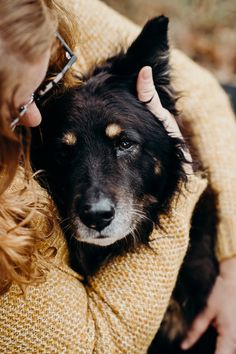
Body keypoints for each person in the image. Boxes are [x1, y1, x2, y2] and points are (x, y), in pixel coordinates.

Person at [0, 1, 235, 353]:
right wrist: (181, 191)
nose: (34, 118)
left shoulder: (31, 10)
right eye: (16, 107)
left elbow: (201, 91)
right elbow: (99, 345)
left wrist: (232, 259)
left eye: (39, 92)